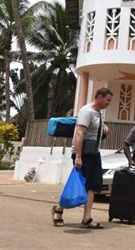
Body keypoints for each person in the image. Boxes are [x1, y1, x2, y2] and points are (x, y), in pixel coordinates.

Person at [51, 87, 113, 228]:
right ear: (99, 97)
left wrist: (105, 128)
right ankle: (59, 209)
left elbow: (97, 126)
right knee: (79, 183)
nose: (109, 103)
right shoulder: (86, 111)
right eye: (108, 100)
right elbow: (79, 133)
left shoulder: (99, 112)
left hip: (94, 153)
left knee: (93, 185)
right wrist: (78, 157)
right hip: (83, 153)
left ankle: (86, 218)